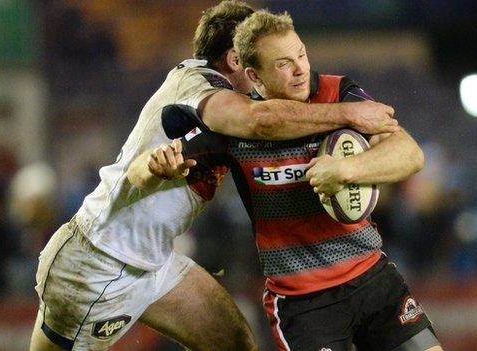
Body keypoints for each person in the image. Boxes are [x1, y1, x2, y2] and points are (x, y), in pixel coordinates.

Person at [30, 1, 400, 350]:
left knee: (234, 342)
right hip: (99, 261)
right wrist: (348, 114)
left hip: (155, 261)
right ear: (236, 59)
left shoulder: (221, 95)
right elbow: (260, 122)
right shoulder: (197, 83)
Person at [130, 9, 443, 351]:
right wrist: (154, 165)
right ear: (254, 75)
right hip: (303, 304)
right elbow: (141, 170)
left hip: (372, 277)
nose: (300, 69)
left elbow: (410, 154)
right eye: (283, 63)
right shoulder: (236, 125)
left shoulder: (337, 92)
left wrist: (347, 170)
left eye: (301, 55)